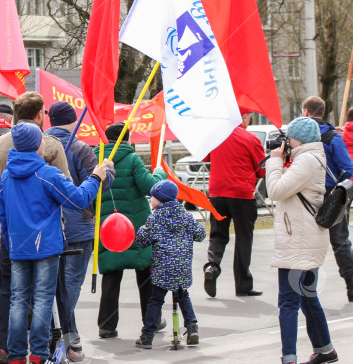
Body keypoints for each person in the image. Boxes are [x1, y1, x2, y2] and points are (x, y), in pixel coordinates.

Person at [0, 122, 113, 364]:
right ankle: (39, 356)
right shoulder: (46, 174)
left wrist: (11, 242)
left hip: (18, 247)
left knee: (18, 301)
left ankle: (17, 357)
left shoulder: (7, 175)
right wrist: (96, 177)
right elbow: (79, 199)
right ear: (37, 143)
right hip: (45, 248)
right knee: (42, 300)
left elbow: (3, 216)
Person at [0, 91, 70, 364]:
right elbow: (64, 188)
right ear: (40, 114)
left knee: (9, 291)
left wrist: (2, 222)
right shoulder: (50, 144)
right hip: (46, 234)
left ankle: (4, 348)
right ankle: (56, 346)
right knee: (48, 293)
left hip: (13, 233)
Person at [265, 117, 337, 364]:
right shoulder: (310, 157)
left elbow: (275, 189)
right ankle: (325, 348)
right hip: (307, 238)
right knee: (307, 296)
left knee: (288, 302)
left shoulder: (306, 160)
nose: (286, 142)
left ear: (299, 139)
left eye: (290, 138)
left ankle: (289, 359)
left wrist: (274, 161)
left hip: (297, 242)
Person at [97, 122, 167, 339]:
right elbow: (150, 187)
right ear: (127, 140)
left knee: (111, 272)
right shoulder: (133, 159)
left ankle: (107, 325)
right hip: (135, 226)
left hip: (108, 225)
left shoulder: (96, 159)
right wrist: (159, 174)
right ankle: (151, 320)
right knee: (145, 271)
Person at [44, 101, 97, 360]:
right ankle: (66, 339)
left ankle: (65, 337)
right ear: (73, 120)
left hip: (47, 225)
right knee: (71, 285)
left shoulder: (38, 145)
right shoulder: (80, 148)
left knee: (53, 286)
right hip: (78, 226)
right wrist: (105, 173)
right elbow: (97, 187)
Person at [302, 96, 353, 301]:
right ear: (323, 112)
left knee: (309, 241)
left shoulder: (299, 136)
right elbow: (348, 168)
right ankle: (351, 285)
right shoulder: (332, 137)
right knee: (340, 240)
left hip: (306, 194)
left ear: (305, 112)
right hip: (331, 194)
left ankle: (307, 289)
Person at [202, 108, 267, 298]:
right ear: (244, 117)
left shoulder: (216, 136)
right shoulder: (251, 139)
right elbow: (262, 170)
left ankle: (212, 266)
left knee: (217, 234)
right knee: (243, 238)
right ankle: (243, 284)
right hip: (242, 195)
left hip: (217, 192)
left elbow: (206, 158)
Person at [134, 180, 206, 349]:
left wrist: (142, 229)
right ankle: (192, 326)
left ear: (160, 199)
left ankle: (147, 335)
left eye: (152, 197)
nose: (150, 200)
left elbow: (142, 241)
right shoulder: (186, 216)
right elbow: (200, 234)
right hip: (182, 267)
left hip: (162, 268)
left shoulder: (154, 219)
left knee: (156, 300)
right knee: (183, 296)